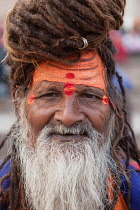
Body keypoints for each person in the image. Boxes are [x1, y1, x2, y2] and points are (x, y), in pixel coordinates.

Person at [0, 0, 140, 209]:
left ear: (113, 104)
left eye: (90, 96)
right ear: (20, 103)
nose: (68, 116)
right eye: (49, 94)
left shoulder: (133, 194)